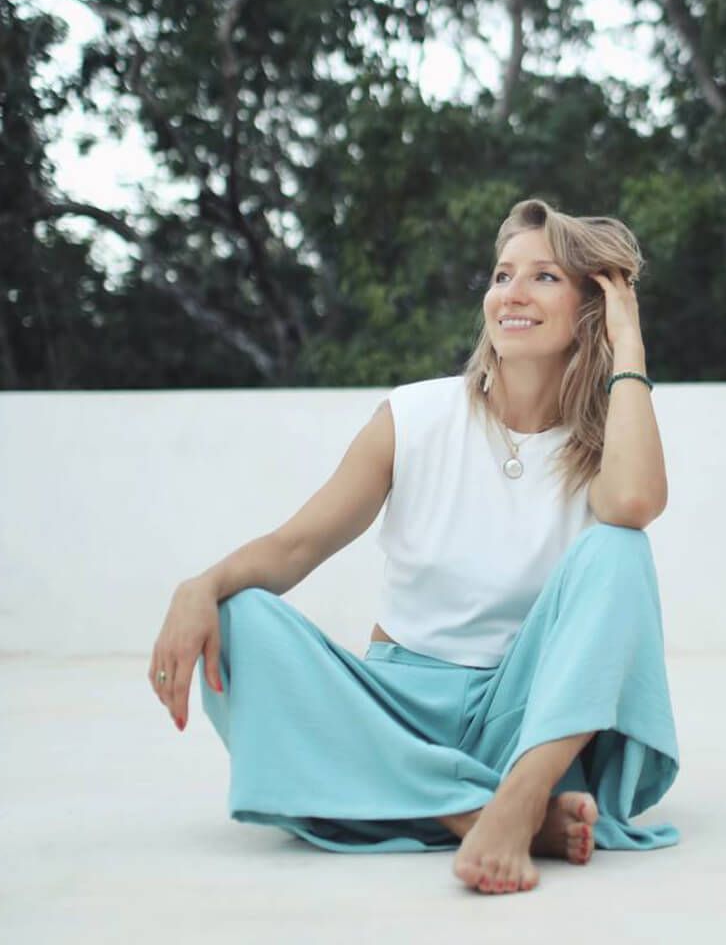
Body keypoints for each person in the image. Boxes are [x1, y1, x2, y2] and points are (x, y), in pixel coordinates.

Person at [148, 198, 680, 895]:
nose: (512, 293)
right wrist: (198, 587)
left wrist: (628, 345)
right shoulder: (416, 415)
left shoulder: (606, 444)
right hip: (393, 711)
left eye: (545, 277)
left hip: (521, 723)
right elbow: (296, 546)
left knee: (619, 550)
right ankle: (482, 815)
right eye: (502, 275)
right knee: (234, 614)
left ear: (591, 307)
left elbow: (634, 507)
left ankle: (516, 792)